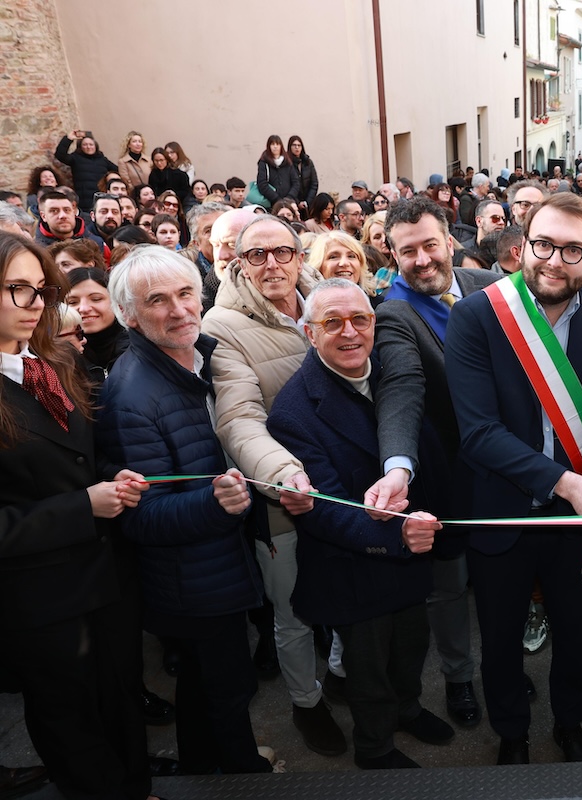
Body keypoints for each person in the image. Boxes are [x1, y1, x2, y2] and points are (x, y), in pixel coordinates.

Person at [444, 192, 582, 765]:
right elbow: (479, 433)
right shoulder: (476, 316)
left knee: (575, 633)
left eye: (572, 250)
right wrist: (569, 484)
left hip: (579, 517)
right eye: (543, 244)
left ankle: (569, 723)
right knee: (501, 638)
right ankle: (511, 732)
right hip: (503, 509)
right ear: (522, 245)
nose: (553, 260)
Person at [95, 246, 273, 776]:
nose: (178, 310)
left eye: (186, 293)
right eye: (157, 301)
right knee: (227, 687)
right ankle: (244, 777)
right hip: (191, 578)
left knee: (203, 684)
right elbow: (140, 517)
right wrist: (216, 505)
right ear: (128, 314)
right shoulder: (133, 397)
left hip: (213, 563)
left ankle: (202, 772)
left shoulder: (195, 358)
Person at [268, 278, 450, 770]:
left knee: (412, 646)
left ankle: (407, 709)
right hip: (355, 564)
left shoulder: (394, 371)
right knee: (368, 669)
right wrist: (400, 534)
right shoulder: (292, 411)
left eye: (360, 319)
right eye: (332, 323)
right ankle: (375, 748)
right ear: (309, 333)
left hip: (408, 553)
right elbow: (325, 509)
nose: (350, 333)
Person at [0, 232, 153, 799]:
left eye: (40, 289)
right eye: (16, 288)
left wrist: (112, 479)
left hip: (104, 572)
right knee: (70, 717)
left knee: (120, 695)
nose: (35, 303)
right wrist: (81, 506)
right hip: (38, 593)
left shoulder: (53, 362)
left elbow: (81, 454)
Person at [200, 215, 347, 758]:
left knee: (348, 587)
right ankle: (306, 703)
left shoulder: (325, 300)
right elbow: (237, 419)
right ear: (237, 263)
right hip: (282, 496)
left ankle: (338, 675)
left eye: (282, 252)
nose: (272, 265)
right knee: (293, 611)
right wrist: (284, 476)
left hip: (343, 484)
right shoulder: (221, 326)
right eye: (256, 256)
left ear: (298, 255)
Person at [365, 197, 500, 729]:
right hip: (442, 477)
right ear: (390, 255)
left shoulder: (491, 285)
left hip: (504, 474)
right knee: (447, 589)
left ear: (450, 241)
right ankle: (459, 676)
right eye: (406, 252)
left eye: (428, 245)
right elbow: (401, 385)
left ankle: (501, 670)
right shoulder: (393, 312)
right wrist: (397, 466)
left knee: (497, 581)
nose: (421, 260)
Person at [66, 266, 128, 376]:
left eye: (96, 299)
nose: (84, 308)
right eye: (73, 302)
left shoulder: (141, 350)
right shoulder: (55, 357)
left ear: (116, 301)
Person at [55, 131, 118, 212]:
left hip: (102, 198)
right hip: (84, 201)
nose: (88, 147)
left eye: (91, 144)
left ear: (95, 146)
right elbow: (60, 155)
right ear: (80, 147)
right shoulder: (76, 158)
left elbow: (118, 170)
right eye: (85, 145)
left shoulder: (102, 160)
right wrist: (68, 139)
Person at [307, 230, 374, 298]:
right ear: (318, 266)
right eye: (333, 257)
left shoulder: (378, 305)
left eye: (351, 256)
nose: (344, 263)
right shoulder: (305, 306)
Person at [256, 135, 297, 207]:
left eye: (277, 144)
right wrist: (276, 199)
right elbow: (262, 184)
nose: (275, 147)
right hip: (271, 202)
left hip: (288, 201)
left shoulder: (287, 162)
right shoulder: (264, 162)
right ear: (269, 146)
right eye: (272, 144)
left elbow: (296, 182)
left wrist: (289, 197)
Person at [287, 136, 319, 212]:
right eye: (294, 145)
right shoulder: (287, 163)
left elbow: (314, 183)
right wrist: (297, 202)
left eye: (299, 145)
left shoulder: (308, 162)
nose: (297, 148)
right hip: (292, 204)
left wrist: (307, 202)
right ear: (290, 147)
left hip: (308, 204)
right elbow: (287, 186)